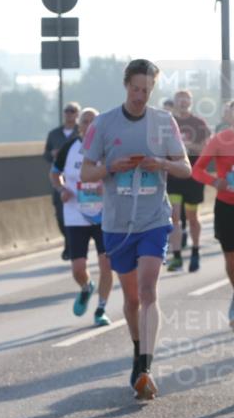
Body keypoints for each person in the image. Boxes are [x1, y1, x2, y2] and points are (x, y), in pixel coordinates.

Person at [80, 59, 191, 400]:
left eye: (147, 90)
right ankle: (137, 348)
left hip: (153, 219)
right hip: (116, 223)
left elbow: (185, 168)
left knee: (147, 291)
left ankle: (145, 366)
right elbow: (86, 173)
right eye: (136, 89)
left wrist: (162, 164)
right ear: (126, 85)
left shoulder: (163, 121)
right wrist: (111, 167)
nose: (141, 96)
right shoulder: (103, 124)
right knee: (130, 299)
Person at [192, 97, 234, 332]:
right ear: (229, 117)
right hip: (225, 206)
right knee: (231, 261)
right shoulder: (218, 140)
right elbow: (197, 170)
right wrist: (215, 181)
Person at [50, 107, 113, 326]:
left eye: (93, 121)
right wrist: (62, 190)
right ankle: (86, 287)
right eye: (85, 121)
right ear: (79, 126)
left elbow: (118, 174)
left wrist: (107, 187)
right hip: (76, 213)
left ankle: (101, 309)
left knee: (107, 264)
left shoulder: (108, 147)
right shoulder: (70, 147)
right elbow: (54, 173)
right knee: (78, 269)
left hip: (103, 214)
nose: (88, 125)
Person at [166, 90, 211, 273]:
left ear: (191, 102)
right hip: (173, 175)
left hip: (193, 175)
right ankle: (176, 257)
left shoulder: (198, 123)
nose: (183, 102)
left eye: (186, 99)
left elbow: (206, 148)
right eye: (179, 99)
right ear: (175, 102)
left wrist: (188, 147)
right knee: (174, 216)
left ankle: (195, 251)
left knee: (192, 218)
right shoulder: (167, 122)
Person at [45, 102, 81, 260]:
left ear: (77, 114)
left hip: (84, 183)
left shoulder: (82, 133)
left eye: (72, 111)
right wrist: (52, 153)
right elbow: (45, 154)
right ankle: (69, 243)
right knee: (60, 215)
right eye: (67, 111)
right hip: (62, 181)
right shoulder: (54, 134)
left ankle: (74, 248)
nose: (69, 114)